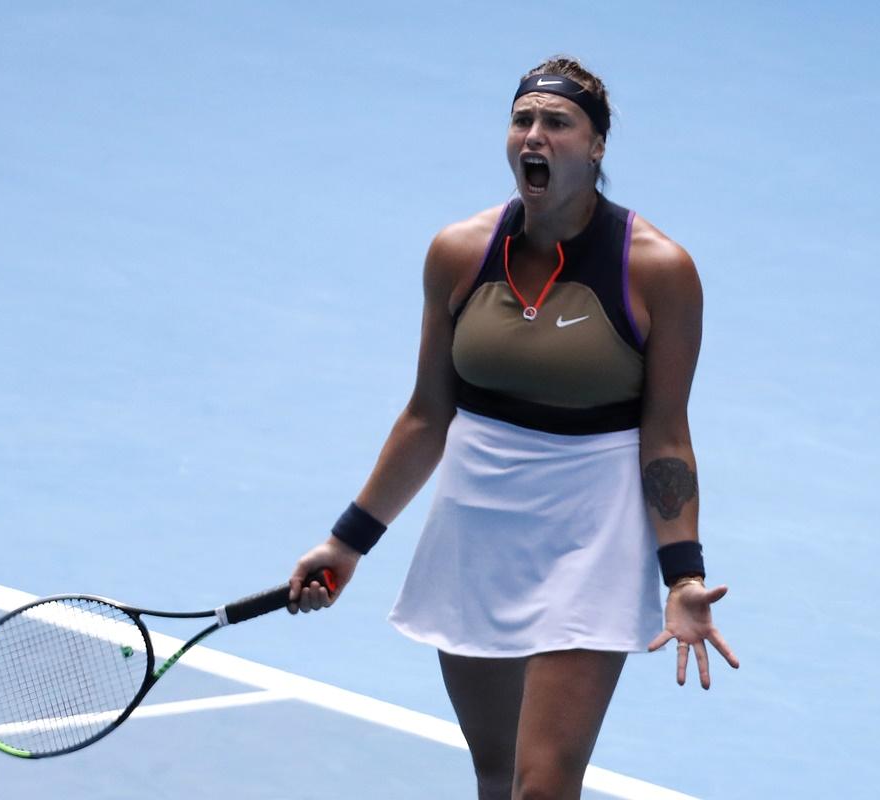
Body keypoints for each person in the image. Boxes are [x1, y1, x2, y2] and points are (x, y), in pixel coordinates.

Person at [287, 56, 739, 800]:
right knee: (496, 778)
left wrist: (682, 573)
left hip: (593, 533)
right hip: (479, 526)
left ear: (597, 146)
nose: (535, 135)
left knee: (543, 786)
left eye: (557, 123)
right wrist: (347, 541)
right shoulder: (460, 253)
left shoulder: (658, 270)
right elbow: (427, 415)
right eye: (523, 120)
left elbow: (666, 435)